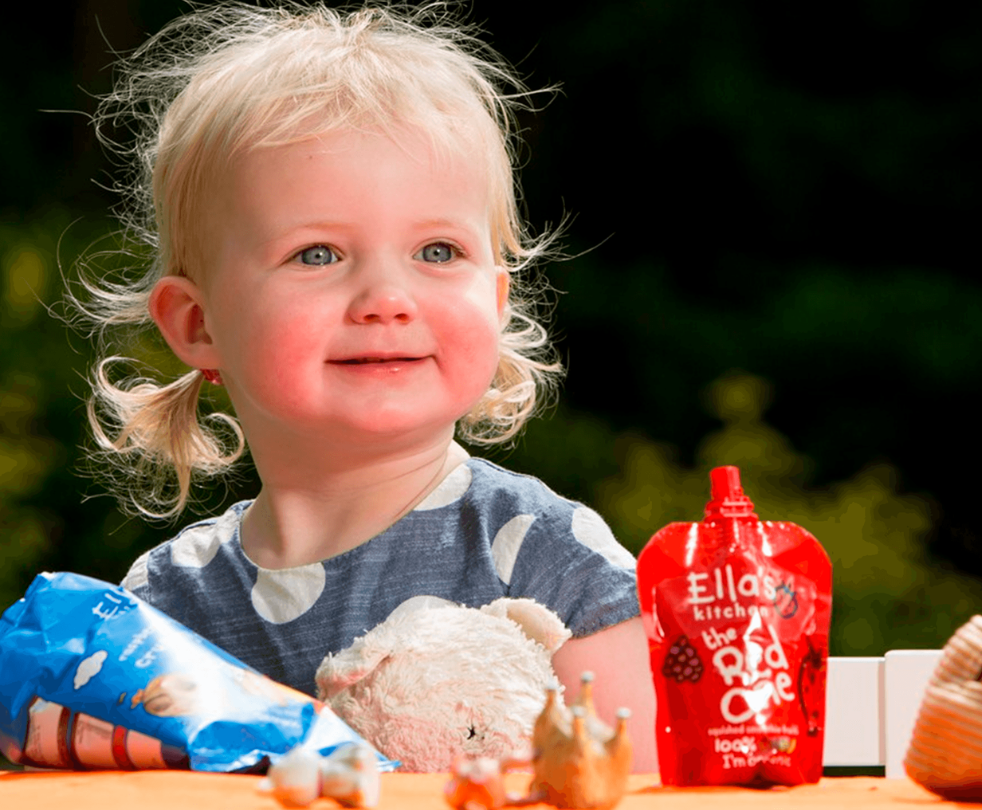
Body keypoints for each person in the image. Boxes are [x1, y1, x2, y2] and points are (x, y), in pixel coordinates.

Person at [72, 1, 656, 771]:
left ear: (494, 298)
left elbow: (640, 783)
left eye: (438, 250)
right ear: (199, 323)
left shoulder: (548, 559)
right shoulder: (166, 608)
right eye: (317, 255)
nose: (387, 296)